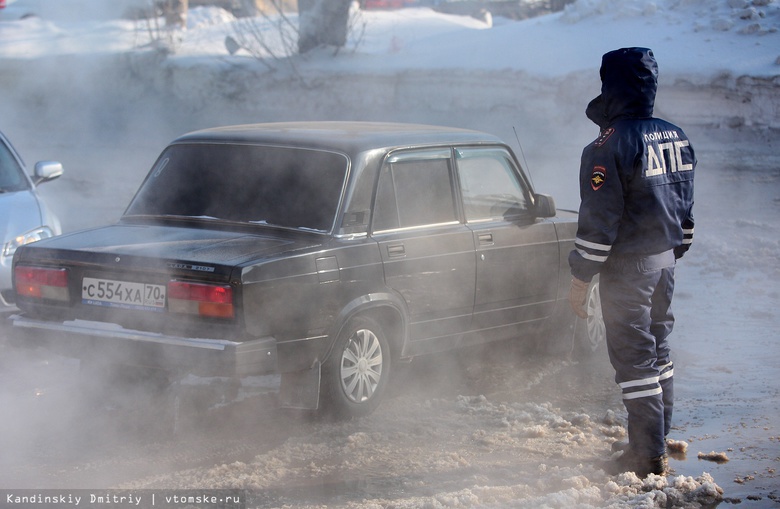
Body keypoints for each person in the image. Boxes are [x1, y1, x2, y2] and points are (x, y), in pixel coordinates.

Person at [568, 47, 696, 477]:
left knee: (635, 361)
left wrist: (580, 278)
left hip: (629, 269)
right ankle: (655, 441)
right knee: (659, 352)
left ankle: (646, 455)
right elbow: (685, 213)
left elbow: (598, 224)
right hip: (665, 265)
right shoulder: (675, 135)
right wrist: (669, 253)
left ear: (611, 86)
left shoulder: (607, 145)